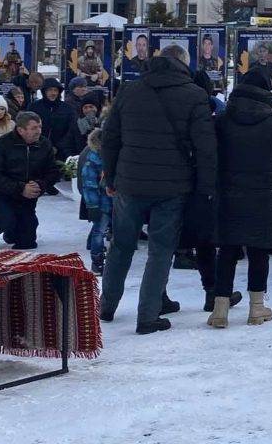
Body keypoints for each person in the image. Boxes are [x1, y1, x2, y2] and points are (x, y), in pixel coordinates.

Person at [100, 44, 217, 335]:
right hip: (172, 186)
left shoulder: (129, 90)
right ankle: (148, 314)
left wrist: (111, 177)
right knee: (161, 250)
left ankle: (106, 305)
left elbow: (110, 138)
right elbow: (205, 147)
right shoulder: (194, 95)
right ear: (184, 64)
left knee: (120, 245)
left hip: (128, 182)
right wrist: (205, 188)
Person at [208, 70, 272, 328]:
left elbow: (212, 155)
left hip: (228, 192)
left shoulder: (222, 119)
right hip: (263, 194)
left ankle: (220, 310)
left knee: (227, 251)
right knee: (259, 251)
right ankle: (256, 308)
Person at [0, 111, 61, 250]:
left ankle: (12, 232)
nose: (38, 131)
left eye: (39, 127)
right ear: (20, 130)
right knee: (5, 220)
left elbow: (53, 172)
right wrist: (20, 188)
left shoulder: (44, 144)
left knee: (27, 242)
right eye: (33, 128)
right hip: (2, 193)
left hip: (28, 196)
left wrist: (40, 185)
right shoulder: (4, 144)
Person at [80, 128, 112, 274]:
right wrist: (92, 206)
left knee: (102, 229)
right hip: (101, 203)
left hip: (116, 202)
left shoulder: (114, 157)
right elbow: (89, 186)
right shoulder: (93, 161)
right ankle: (97, 261)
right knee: (99, 232)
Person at [29, 78, 77, 162]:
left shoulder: (67, 108)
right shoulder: (34, 107)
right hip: (37, 147)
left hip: (62, 151)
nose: (53, 93)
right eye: (50, 90)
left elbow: (71, 130)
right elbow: (29, 126)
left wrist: (59, 146)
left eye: (55, 90)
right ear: (44, 91)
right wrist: (42, 144)